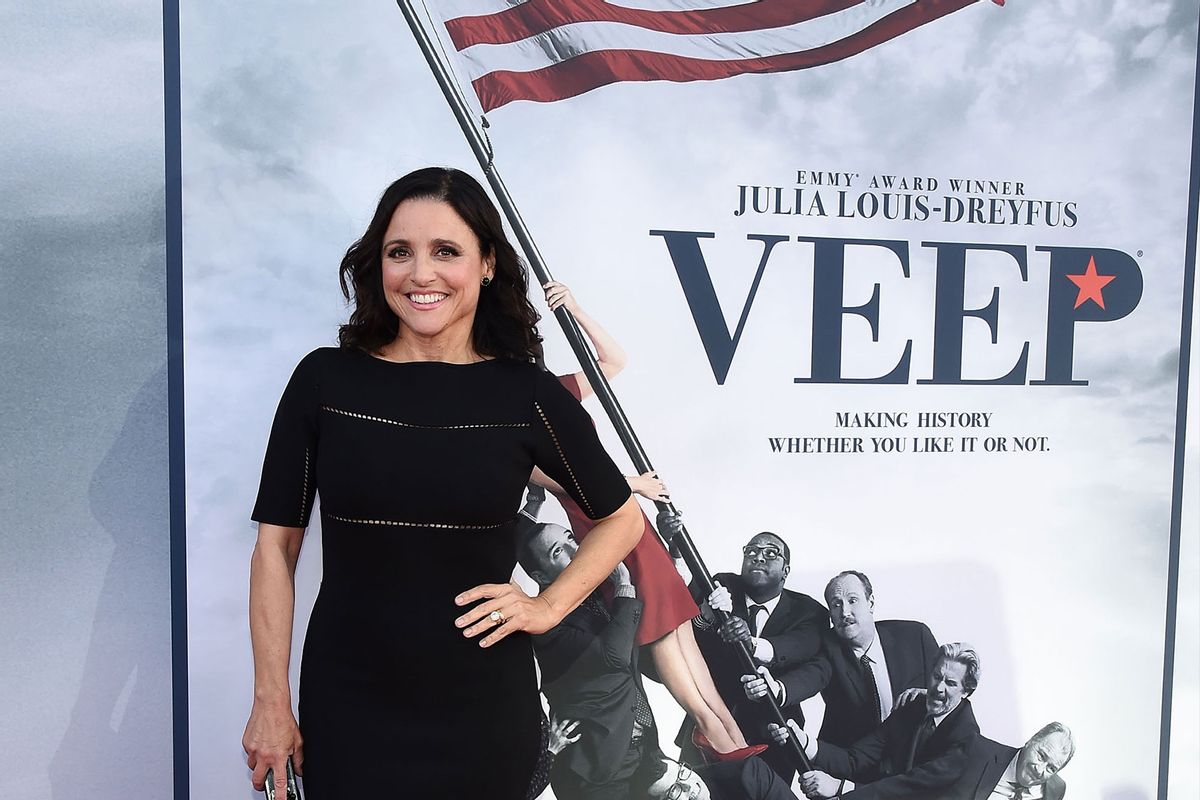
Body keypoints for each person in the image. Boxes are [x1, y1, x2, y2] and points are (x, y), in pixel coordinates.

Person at [240, 167, 644, 799]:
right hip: (349, 703)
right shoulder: (325, 382)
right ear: (378, 264)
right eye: (400, 252)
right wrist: (270, 699)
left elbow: (622, 517)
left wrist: (547, 606)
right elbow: (276, 549)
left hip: (484, 709)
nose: (420, 274)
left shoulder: (525, 392)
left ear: (486, 263)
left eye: (446, 252)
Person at [529, 282, 749, 755]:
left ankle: (744, 767)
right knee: (698, 704)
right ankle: (726, 762)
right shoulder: (513, 432)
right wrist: (635, 484)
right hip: (610, 543)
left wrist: (574, 306)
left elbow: (614, 361)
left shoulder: (561, 392)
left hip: (639, 533)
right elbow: (570, 485)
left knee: (714, 698)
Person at [518, 519, 659, 799]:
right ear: (542, 577)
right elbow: (613, 657)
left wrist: (672, 551)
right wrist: (623, 584)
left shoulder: (596, 594)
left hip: (641, 751)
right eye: (558, 551)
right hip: (595, 772)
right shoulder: (545, 622)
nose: (574, 549)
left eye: (571, 538)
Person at [677, 527, 829, 782]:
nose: (759, 557)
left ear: (786, 570)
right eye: (752, 551)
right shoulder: (720, 585)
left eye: (771, 553)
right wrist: (704, 619)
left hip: (772, 735)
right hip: (706, 730)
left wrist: (753, 643)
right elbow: (689, 637)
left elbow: (802, 647)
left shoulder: (810, 611)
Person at [742, 570, 939, 747]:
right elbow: (811, 675)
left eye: (852, 600)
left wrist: (931, 696)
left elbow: (956, 685)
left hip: (920, 753)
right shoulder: (829, 647)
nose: (844, 612)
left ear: (870, 603)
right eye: (836, 605)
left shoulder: (915, 636)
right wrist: (776, 689)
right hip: (857, 761)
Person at [770, 643, 982, 799]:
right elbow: (855, 759)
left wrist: (840, 788)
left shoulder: (966, 738)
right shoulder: (912, 708)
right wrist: (804, 742)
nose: (938, 688)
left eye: (951, 683)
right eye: (937, 677)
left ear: (966, 691)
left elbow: (912, 790)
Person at [942, 723, 1074, 800]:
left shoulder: (1056, 789)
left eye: (1051, 768)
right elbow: (926, 785)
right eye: (1041, 756)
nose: (1039, 770)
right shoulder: (977, 751)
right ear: (1031, 741)